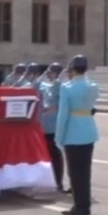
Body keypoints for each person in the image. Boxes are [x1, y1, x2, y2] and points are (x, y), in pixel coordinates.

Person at [55, 55, 100, 215]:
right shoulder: (92, 86)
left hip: (73, 133)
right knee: (85, 171)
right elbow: (93, 103)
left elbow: (62, 115)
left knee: (75, 172)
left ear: (72, 69)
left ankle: (79, 206)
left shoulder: (67, 88)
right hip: (89, 130)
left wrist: (58, 137)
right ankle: (85, 204)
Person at [40, 63, 71, 193]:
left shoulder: (60, 86)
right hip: (47, 125)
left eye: (51, 72)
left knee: (56, 156)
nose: (48, 74)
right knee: (50, 155)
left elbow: (64, 104)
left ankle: (58, 182)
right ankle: (54, 181)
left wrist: (55, 108)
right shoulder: (49, 85)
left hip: (55, 126)